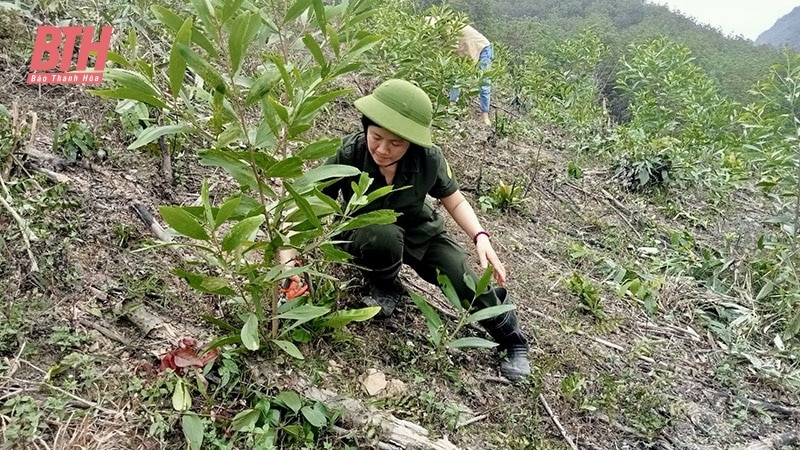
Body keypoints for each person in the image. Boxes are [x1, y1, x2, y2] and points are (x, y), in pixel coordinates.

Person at [314, 79, 530, 381]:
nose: (383, 150)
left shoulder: (428, 159)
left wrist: (480, 237)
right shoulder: (351, 151)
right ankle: (385, 285)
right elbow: (312, 202)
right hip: (365, 228)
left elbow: (453, 201)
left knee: (462, 277)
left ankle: (513, 341)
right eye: (376, 137)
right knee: (383, 235)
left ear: (412, 142)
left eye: (396, 143)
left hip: (418, 226)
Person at [449, 23, 493, 127]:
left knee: (483, 82)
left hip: (482, 49)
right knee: (456, 79)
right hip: (465, 52)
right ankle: (452, 107)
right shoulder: (448, 32)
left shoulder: (452, 30)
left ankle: (485, 116)